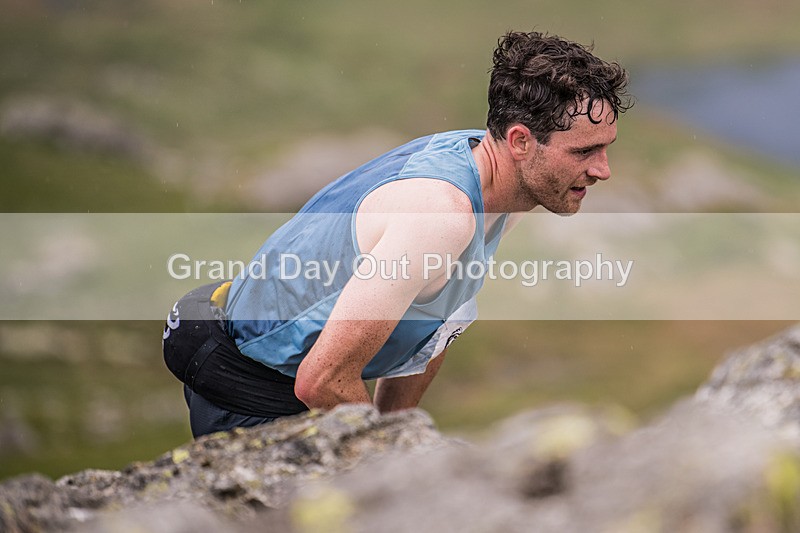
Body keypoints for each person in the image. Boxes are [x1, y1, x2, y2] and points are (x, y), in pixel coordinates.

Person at [163, 30, 632, 438]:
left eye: (606, 148)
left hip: (285, 374)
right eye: (585, 151)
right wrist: (392, 458)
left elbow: (441, 316)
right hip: (252, 393)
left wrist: (399, 431)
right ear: (520, 141)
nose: (603, 170)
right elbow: (321, 380)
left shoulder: (497, 175)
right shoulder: (440, 216)